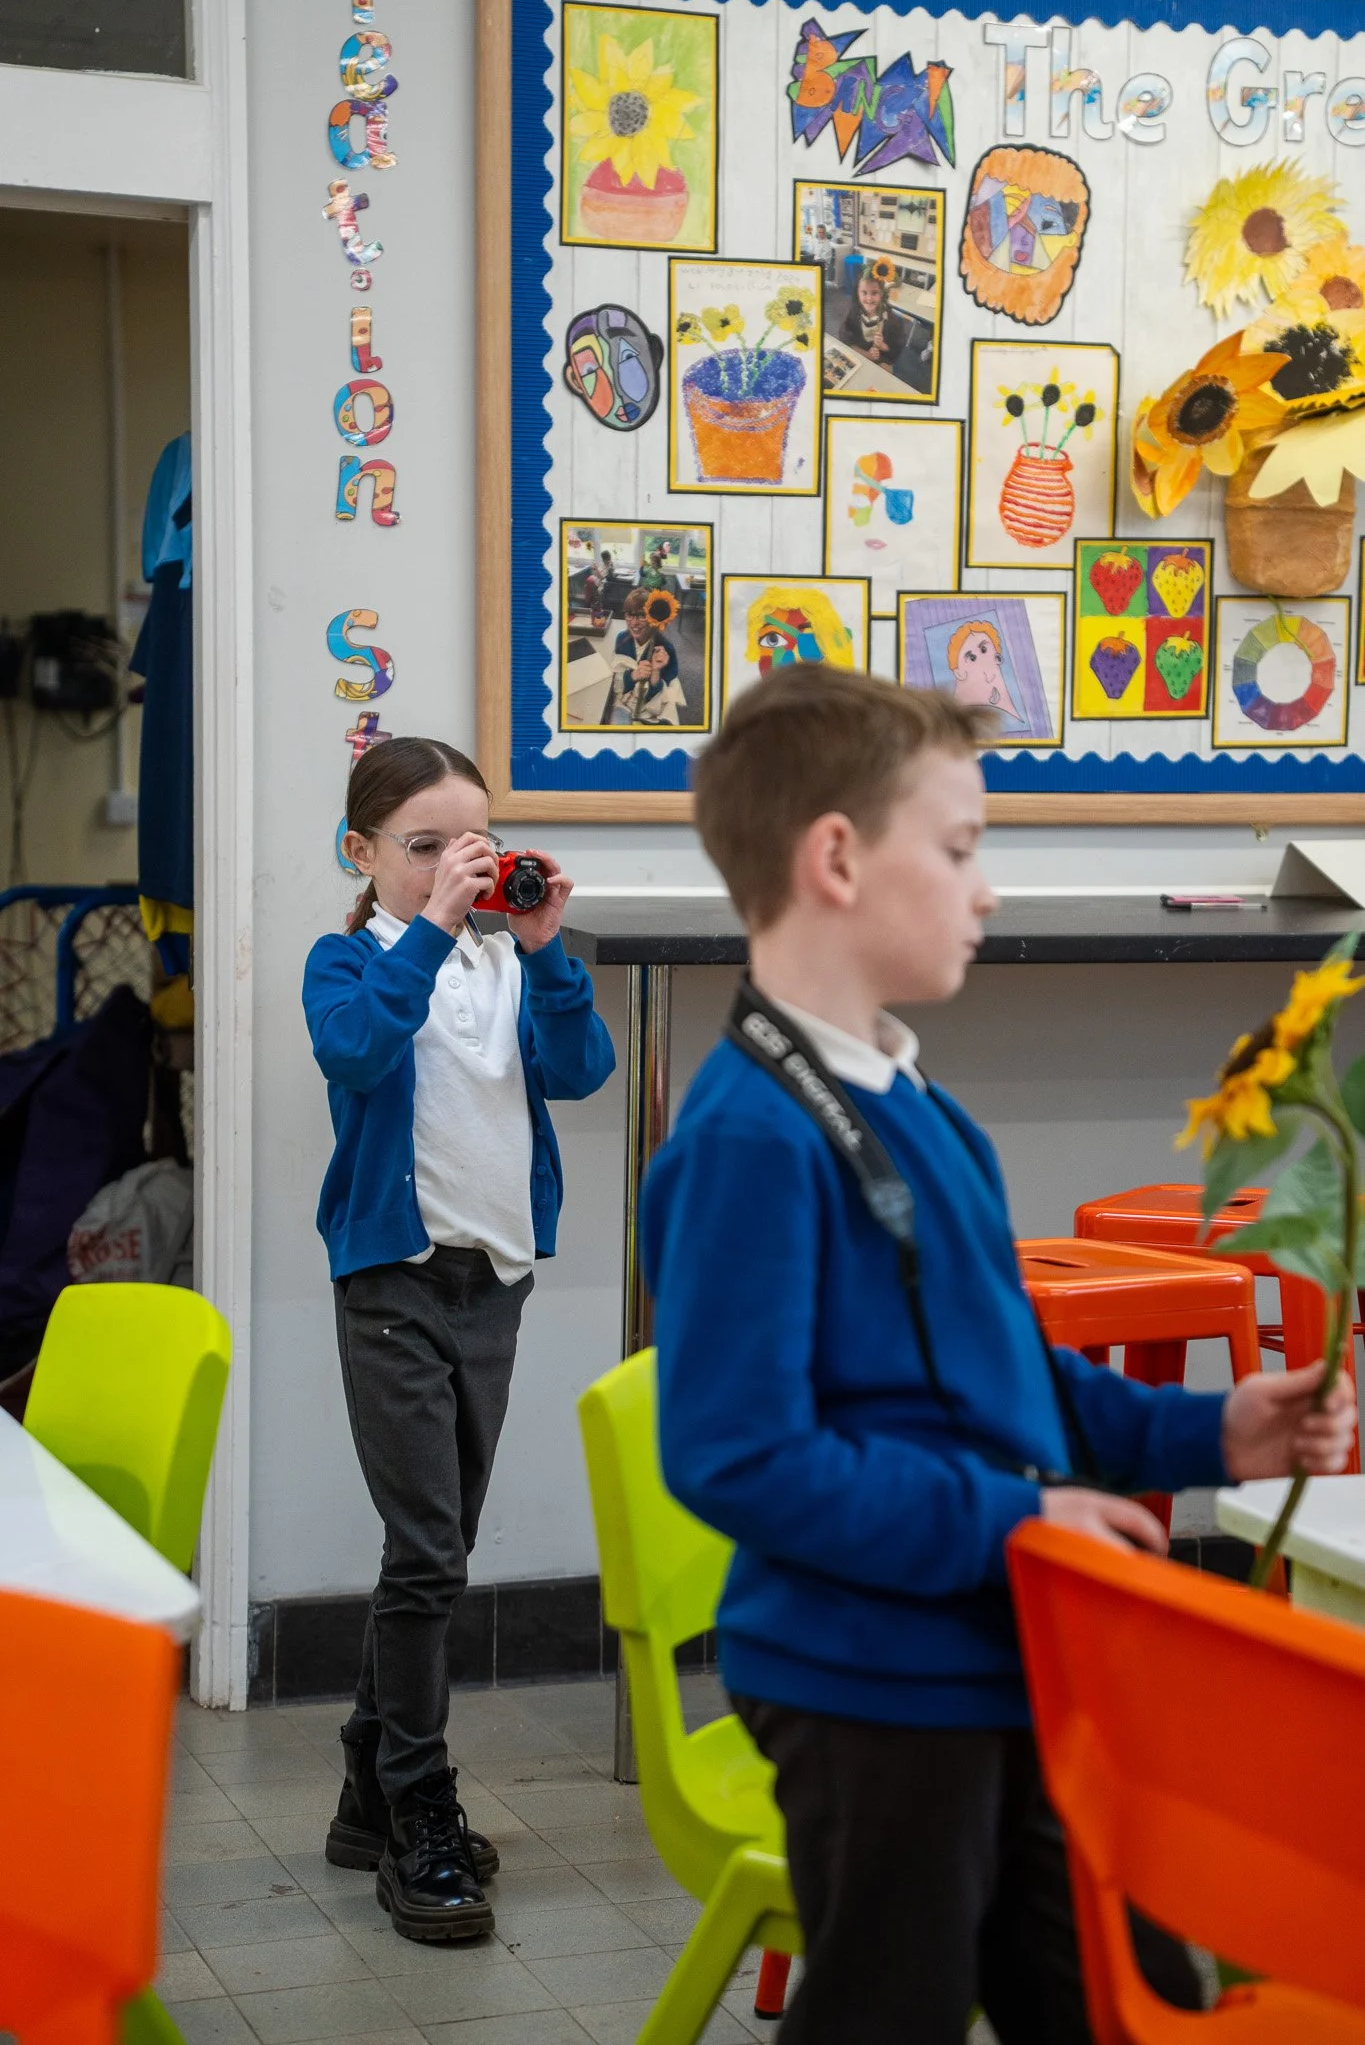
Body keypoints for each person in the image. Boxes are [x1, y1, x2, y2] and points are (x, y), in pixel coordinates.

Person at [641, 665, 1356, 2043]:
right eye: (962, 849)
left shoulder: (920, 1108)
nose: (987, 890)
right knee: (888, 2010)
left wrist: (1213, 1437)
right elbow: (738, 1457)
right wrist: (1018, 1519)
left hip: (997, 1645)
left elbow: (1007, 1377)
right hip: (869, 1682)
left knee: (1118, 1993)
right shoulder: (747, 1137)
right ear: (836, 858)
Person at [303, 738, 615, 1945]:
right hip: (391, 1277)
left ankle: (363, 1787)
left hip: (495, 1279)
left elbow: (578, 1071)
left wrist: (544, 956)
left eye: (468, 845)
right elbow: (355, 1050)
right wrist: (431, 926)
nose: (449, 866)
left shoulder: (498, 962)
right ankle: (419, 1800)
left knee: (440, 1543)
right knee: (429, 1550)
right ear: (363, 853)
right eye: (422, 845)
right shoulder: (352, 959)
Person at [613, 587, 685, 724]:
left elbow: (665, 700)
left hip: (649, 712)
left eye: (641, 615)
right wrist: (634, 675)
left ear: (653, 617)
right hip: (625, 704)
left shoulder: (665, 649)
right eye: (629, 614)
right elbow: (617, 682)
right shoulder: (622, 639)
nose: (634, 623)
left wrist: (655, 672)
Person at [840, 268, 907, 368]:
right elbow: (844, 337)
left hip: (882, 358)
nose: (869, 299)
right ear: (857, 293)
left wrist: (883, 346)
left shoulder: (891, 320)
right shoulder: (854, 312)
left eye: (874, 293)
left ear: (882, 294)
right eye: (864, 292)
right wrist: (866, 355)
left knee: (884, 371)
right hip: (858, 352)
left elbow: (895, 350)